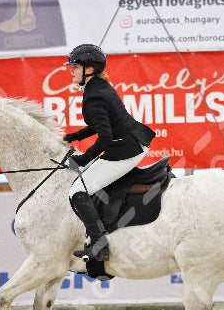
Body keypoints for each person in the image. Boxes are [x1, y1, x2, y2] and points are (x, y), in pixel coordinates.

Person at [63, 44, 156, 262]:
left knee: (77, 191)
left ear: (90, 69)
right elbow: (102, 125)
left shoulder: (93, 96)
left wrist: (82, 160)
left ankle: (100, 245)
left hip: (126, 149)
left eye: (75, 67)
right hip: (131, 142)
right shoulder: (99, 87)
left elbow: (105, 138)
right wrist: (76, 135)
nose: (71, 71)